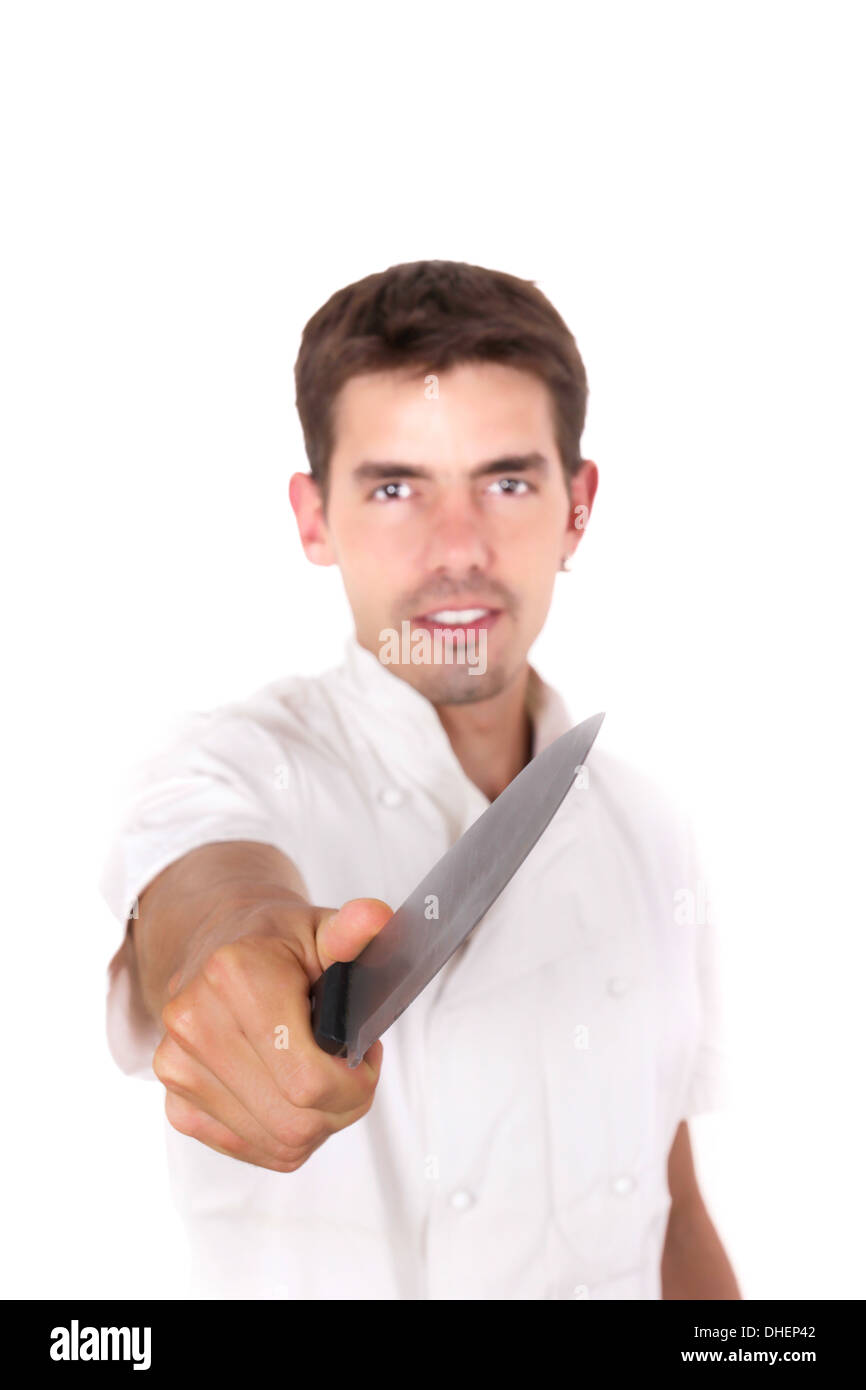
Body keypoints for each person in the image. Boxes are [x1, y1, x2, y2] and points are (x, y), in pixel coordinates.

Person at [99, 259, 740, 1300]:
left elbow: (670, 1207)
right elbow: (201, 886)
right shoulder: (227, 762)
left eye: (506, 480)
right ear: (313, 518)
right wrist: (236, 948)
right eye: (394, 486)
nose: (458, 548)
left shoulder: (648, 825)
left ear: (577, 506)